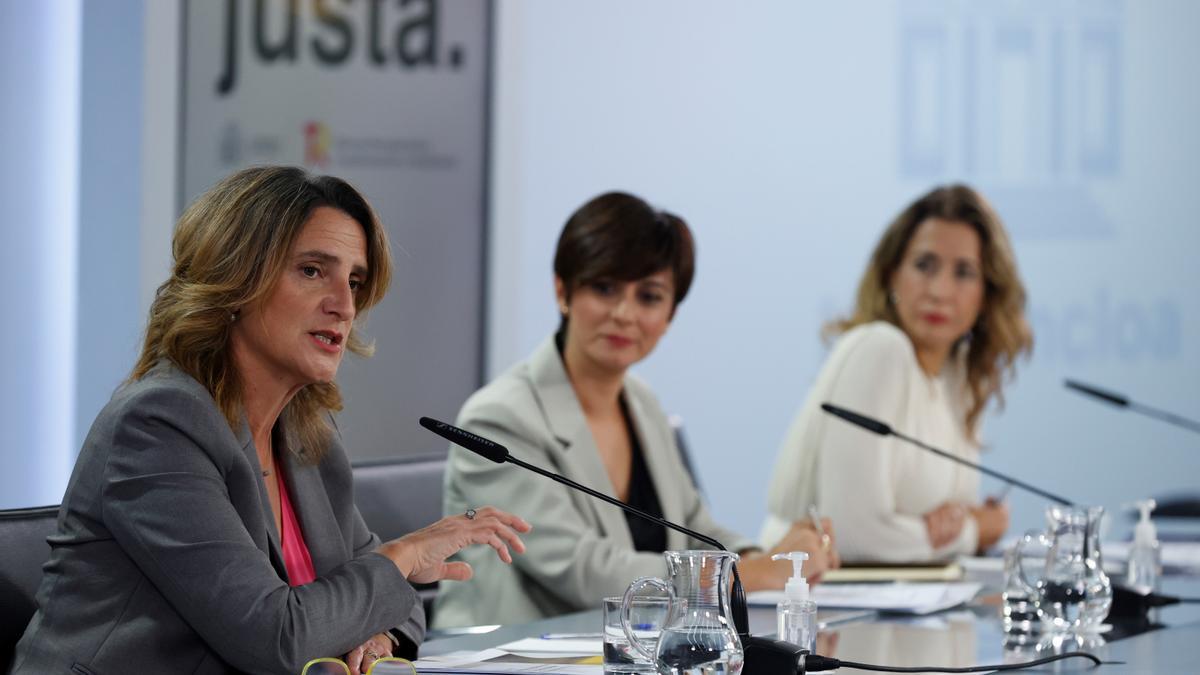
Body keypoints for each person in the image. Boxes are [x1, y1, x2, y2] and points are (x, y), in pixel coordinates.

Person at [10, 166, 530, 675]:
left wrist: (378, 639)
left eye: (354, 280)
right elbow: (273, 637)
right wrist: (405, 553)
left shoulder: (307, 440)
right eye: (312, 271)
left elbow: (397, 601)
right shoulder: (156, 426)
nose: (344, 306)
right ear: (234, 279)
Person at [434, 191, 839, 628]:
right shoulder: (499, 418)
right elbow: (584, 572)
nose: (625, 314)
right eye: (605, 288)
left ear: (670, 315)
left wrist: (774, 557)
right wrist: (750, 574)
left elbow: (696, 529)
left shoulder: (641, 402)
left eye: (649, 296)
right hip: (505, 659)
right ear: (562, 291)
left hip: (626, 653)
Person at [760, 184, 1033, 562]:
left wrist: (963, 517)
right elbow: (852, 536)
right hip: (810, 605)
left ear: (987, 293)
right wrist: (973, 530)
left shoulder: (961, 375)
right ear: (891, 274)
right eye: (925, 265)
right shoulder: (879, 349)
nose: (939, 290)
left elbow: (953, 515)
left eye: (964, 272)